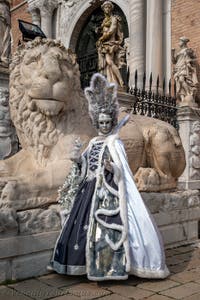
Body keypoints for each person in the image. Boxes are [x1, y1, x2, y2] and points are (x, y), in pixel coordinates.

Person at [50, 73, 170, 281]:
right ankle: (82, 264)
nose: (105, 126)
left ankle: (110, 265)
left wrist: (111, 166)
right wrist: (77, 159)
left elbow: (122, 169)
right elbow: (85, 166)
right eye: (101, 122)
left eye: (107, 122)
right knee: (79, 229)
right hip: (88, 191)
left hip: (108, 191)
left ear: (111, 122)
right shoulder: (94, 142)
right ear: (97, 122)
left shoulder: (115, 143)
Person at [96, 1, 126, 88]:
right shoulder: (105, 20)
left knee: (110, 62)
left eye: (109, 7)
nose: (107, 9)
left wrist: (102, 38)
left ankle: (121, 81)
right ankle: (111, 82)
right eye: (105, 7)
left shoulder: (114, 19)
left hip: (111, 44)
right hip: (104, 44)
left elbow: (112, 30)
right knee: (107, 65)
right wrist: (99, 31)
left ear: (111, 9)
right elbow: (104, 30)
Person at [171, 36, 198, 102]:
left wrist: (189, 62)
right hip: (177, 68)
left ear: (184, 42)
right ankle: (182, 99)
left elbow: (194, 59)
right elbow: (174, 61)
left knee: (181, 80)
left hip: (185, 68)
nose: (179, 43)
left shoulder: (188, 50)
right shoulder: (178, 52)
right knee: (178, 84)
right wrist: (172, 53)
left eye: (180, 41)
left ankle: (188, 93)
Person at [0, 0, 11, 66]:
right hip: (4, 10)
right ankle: (4, 58)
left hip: (4, 11)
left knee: (5, 37)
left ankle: (4, 58)